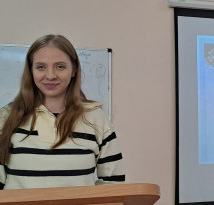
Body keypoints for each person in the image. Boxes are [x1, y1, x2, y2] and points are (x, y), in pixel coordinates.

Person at [0, 34, 125, 190]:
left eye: (60, 66)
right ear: (31, 71)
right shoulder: (6, 116)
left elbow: (113, 184)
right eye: (41, 67)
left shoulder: (95, 117)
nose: (50, 75)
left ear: (74, 70)